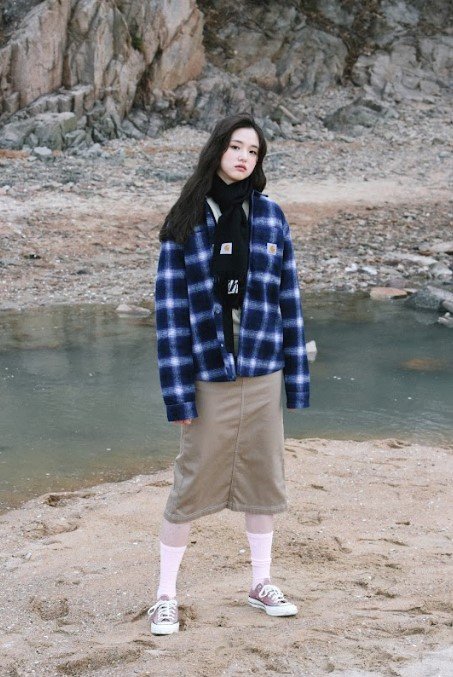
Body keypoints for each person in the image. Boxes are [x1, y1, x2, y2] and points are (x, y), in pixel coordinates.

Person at [149, 113, 310, 635]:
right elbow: (169, 314)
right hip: (208, 373)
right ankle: (165, 595)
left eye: (253, 151)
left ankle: (261, 583)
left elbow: (289, 300)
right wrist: (178, 396)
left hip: (263, 370)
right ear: (218, 149)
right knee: (190, 484)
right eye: (236, 147)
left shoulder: (271, 216)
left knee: (263, 480)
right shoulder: (185, 218)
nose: (244, 157)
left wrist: (296, 382)